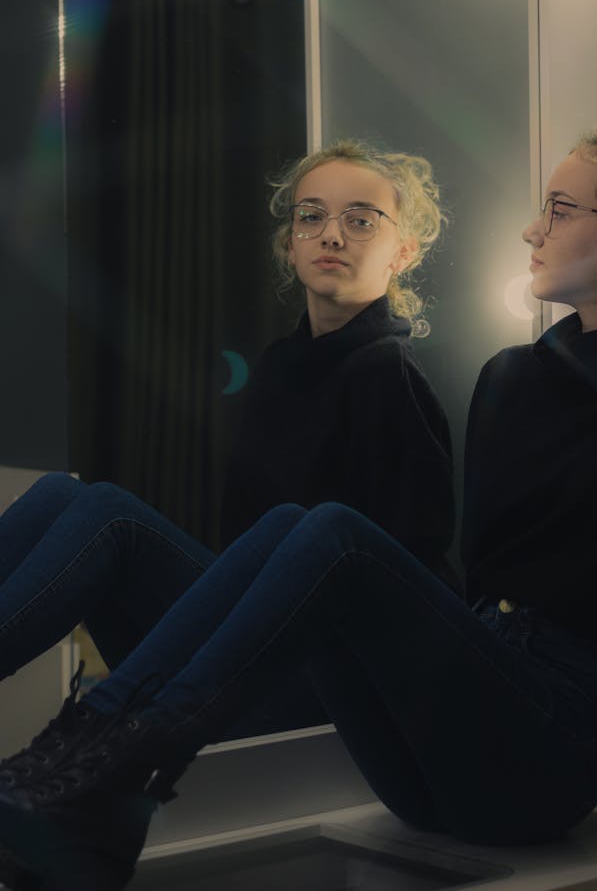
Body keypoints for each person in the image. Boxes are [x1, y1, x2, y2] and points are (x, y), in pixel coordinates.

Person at [0, 126, 597, 891]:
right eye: (311, 217)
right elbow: (483, 586)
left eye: (558, 209)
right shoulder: (512, 377)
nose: (534, 228)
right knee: (290, 525)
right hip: (437, 745)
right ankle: (79, 771)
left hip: (555, 746)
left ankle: (104, 781)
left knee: (329, 531)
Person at [0, 137, 455, 717]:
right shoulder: (278, 365)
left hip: (322, 667)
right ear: (290, 244)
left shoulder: (387, 374)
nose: (332, 235)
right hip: (246, 627)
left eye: (361, 221)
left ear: (404, 252)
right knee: (60, 494)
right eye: (311, 217)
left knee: (108, 514)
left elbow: (409, 579)